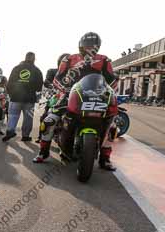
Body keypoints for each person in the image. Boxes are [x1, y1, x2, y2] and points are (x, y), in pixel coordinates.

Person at [35, 33, 118, 170]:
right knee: (49, 120)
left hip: (97, 96)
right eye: (87, 46)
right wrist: (65, 89)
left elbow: (111, 80)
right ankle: (43, 152)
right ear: (81, 45)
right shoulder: (69, 59)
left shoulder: (104, 60)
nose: (89, 49)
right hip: (70, 95)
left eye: (92, 46)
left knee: (113, 126)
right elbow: (58, 78)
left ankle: (105, 159)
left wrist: (109, 91)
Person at [3, 52, 43, 143]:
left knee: (13, 116)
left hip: (15, 97)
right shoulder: (37, 70)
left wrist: (10, 94)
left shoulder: (16, 68)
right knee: (28, 118)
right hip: (29, 100)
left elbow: (9, 83)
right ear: (34, 59)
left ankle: (10, 131)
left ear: (25, 58)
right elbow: (39, 86)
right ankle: (25, 136)